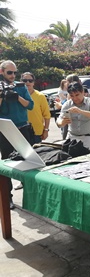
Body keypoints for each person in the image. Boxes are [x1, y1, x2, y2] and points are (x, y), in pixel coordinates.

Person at [0, 60, 34, 209]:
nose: (13, 75)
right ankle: (7, 197)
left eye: (15, 72)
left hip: (22, 128)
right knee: (6, 164)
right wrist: (3, 95)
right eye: (9, 72)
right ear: (1, 72)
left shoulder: (20, 86)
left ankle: (32, 196)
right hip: (6, 130)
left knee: (30, 162)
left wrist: (17, 97)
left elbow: (30, 105)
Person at [13, 72, 51, 190]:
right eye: (25, 81)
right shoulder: (16, 95)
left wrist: (46, 130)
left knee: (35, 158)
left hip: (36, 132)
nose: (27, 83)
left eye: (30, 81)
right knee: (22, 158)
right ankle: (23, 181)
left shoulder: (40, 96)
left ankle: (36, 182)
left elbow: (47, 115)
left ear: (34, 82)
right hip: (21, 130)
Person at [56, 82, 90, 150]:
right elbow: (59, 120)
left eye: (77, 95)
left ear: (83, 92)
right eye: (72, 96)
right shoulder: (67, 104)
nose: (75, 98)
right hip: (71, 137)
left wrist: (80, 111)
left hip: (87, 138)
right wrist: (61, 123)